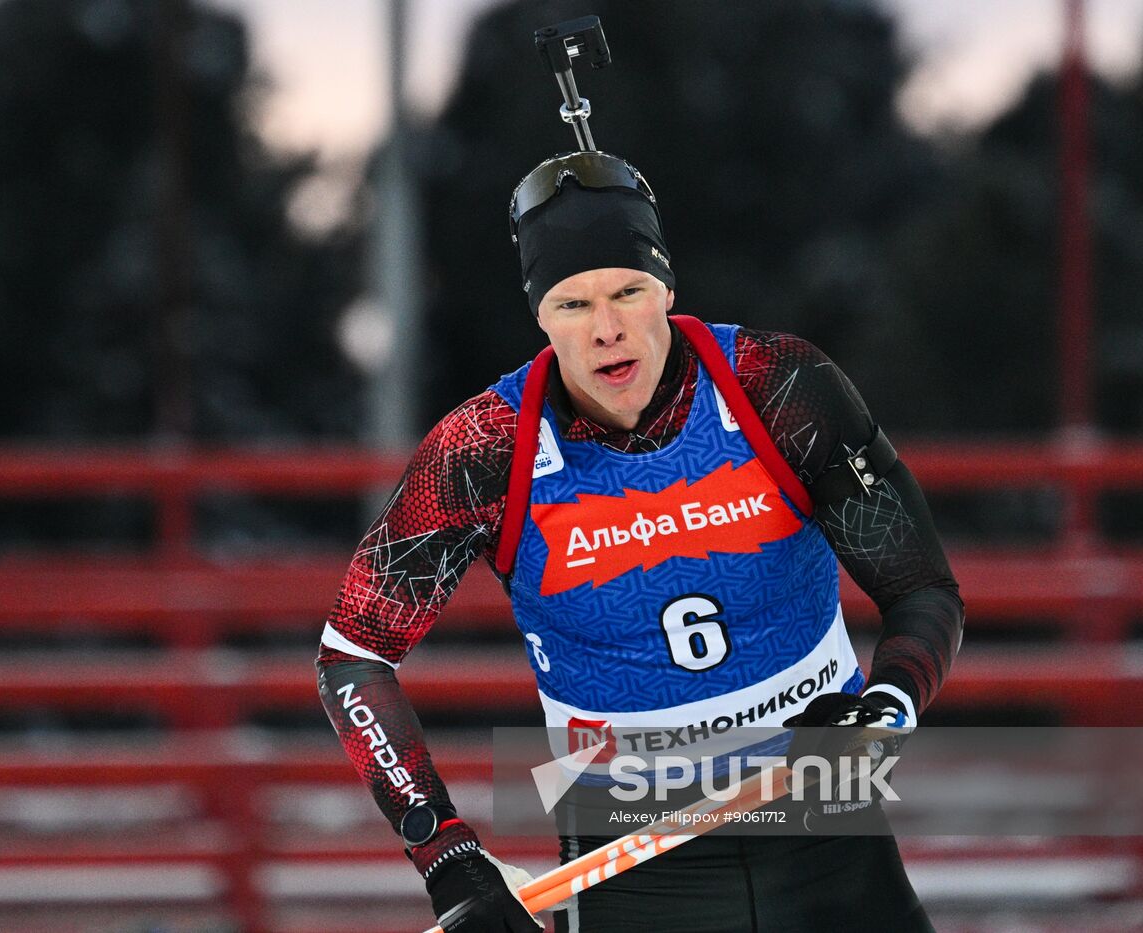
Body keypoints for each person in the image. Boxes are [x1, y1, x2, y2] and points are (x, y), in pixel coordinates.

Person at [317, 150, 963, 932]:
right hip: (631, 856)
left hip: (819, 810)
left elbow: (922, 590)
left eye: (628, 291)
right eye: (571, 304)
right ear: (539, 315)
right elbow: (353, 656)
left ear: (667, 287)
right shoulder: (485, 449)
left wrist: (888, 701)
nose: (608, 329)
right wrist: (448, 857)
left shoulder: (777, 386)